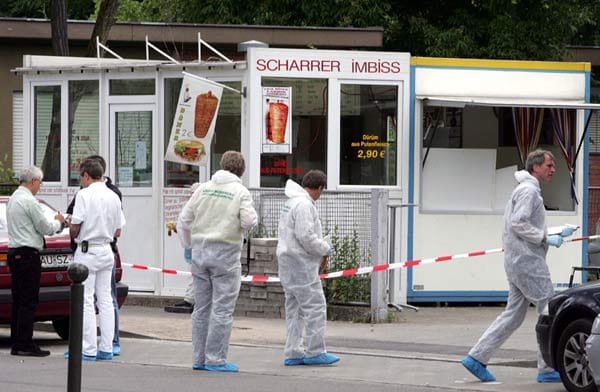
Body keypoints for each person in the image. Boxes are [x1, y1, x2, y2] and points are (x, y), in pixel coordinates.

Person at [462, 149, 575, 383]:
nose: (553, 169)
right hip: (527, 261)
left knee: (513, 314)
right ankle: (548, 367)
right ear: (535, 167)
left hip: (517, 260)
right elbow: (518, 223)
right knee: (548, 307)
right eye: (549, 165)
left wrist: (551, 234)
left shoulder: (525, 190)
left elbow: (521, 225)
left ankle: (477, 357)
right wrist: (545, 238)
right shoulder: (529, 192)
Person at [177, 151, 257, 372]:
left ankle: (199, 358)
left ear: (221, 165)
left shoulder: (203, 188)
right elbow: (249, 221)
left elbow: (183, 220)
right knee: (222, 308)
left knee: (201, 308)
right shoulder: (240, 192)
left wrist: (189, 246)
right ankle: (215, 359)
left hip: (200, 253)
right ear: (241, 170)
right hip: (226, 254)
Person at [276, 170, 340, 366]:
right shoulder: (304, 205)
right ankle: (315, 352)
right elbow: (306, 237)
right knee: (315, 307)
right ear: (319, 188)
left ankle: (293, 352)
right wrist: (325, 249)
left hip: (287, 262)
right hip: (301, 264)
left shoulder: (291, 202)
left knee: (294, 309)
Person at [67, 159, 125, 361]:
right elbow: (118, 229)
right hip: (107, 250)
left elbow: (75, 226)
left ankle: (88, 348)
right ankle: (107, 347)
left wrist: (73, 233)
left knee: (86, 300)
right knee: (106, 300)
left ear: (86, 175)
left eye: (80, 177)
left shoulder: (84, 195)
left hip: (87, 251)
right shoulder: (113, 196)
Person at [6, 166, 65, 356]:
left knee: (18, 300)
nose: (40, 186)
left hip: (14, 252)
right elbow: (45, 227)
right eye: (40, 182)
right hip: (28, 254)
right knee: (28, 301)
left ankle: (17, 341)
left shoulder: (14, 198)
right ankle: (25, 344)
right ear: (33, 182)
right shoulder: (30, 201)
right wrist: (59, 221)